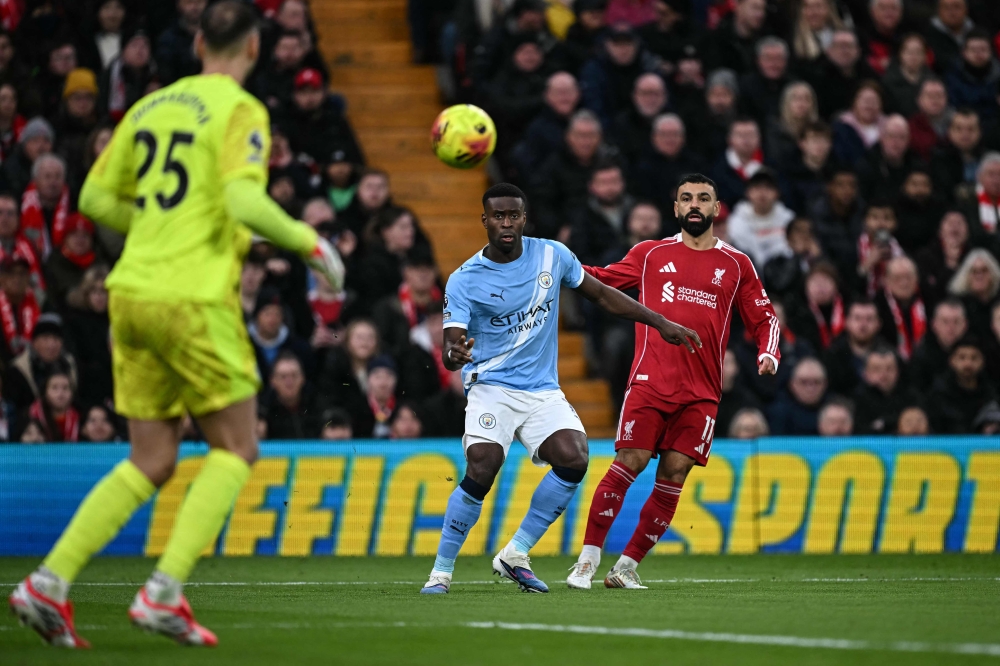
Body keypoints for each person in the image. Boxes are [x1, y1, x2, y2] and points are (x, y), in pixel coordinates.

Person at [8, 3, 345, 648]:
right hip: (191, 298)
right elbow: (244, 198)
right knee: (238, 447)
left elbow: (94, 200)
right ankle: (163, 592)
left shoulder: (150, 106)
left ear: (196, 42)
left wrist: (163, 228)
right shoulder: (241, 109)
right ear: (251, 47)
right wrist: (311, 242)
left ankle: (48, 583)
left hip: (131, 292)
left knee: (153, 458)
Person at [421, 182, 698, 595]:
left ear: (524, 217)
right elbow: (451, 344)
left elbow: (602, 295)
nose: (507, 223)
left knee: (574, 457)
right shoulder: (464, 279)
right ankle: (441, 573)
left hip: (541, 389)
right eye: (498, 216)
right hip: (491, 386)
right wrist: (454, 355)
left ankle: (515, 553)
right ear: (485, 221)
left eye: (514, 215)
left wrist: (659, 321)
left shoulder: (553, 254)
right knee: (483, 464)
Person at [567, 173, 778, 590]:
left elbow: (764, 315)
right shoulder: (649, 254)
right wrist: (557, 267)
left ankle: (626, 567)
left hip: (702, 392)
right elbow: (602, 278)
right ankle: (586, 561)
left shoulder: (737, 264)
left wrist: (767, 351)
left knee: (675, 474)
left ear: (717, 209)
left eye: (703, 198)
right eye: (686, 198)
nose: (695, 204)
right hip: (650, 381)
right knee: (632, 460)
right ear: (676, 209)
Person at [726, 167, 795, 268]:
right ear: (747, 192)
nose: (762, 193)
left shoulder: (789, 220)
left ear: (777, 193)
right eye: (757, 187)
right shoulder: (735, 223)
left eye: (768, 187)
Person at [927, 337, 996, 433]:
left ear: (982, 362)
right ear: (952, 361)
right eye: (962, 357)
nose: (968, 364)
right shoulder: (938, 395)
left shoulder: (992, 395)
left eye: (974, 358)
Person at [852, 346, 920, 433]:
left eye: (889, 369)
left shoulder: (912, 399)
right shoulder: (856, 401)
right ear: (865, 373)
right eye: (876, 369)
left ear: (898, 372)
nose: (883, 375)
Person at [822, 298, 882, 396]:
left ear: (878, 324)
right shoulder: (832, 356)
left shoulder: (889, 355)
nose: (863, 325)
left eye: (869, 319)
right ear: (846, 322)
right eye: (857, 318)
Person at [258, 352, 325, 440]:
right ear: (272, 381)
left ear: (302, 378)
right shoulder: (263, 412)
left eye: (294, 376)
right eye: (283, 377)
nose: (289, 382)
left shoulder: (318, 405)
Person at [768, 357, 827, 435]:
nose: (810, 388)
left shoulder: (836, 411)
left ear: (825, 384)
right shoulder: (777, 413)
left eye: (816, 382)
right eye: (804, 382)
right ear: (792, 384)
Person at [26, 371, 79, 443]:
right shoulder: (30, 416)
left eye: (65, 388)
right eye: (54, 388)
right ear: (45, 392)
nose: (60, 393)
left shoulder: (79, 418)